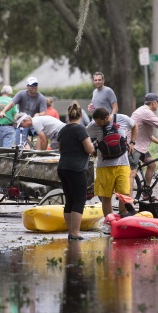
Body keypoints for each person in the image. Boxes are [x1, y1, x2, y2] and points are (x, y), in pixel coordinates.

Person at [87, 107, 138, 219]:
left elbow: (134, 125)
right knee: (106, 196)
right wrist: (92, 149)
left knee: (123, 195)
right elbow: (84, 137)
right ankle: (109, 221)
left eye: (99, 122)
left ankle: (124, 219)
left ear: (106, 117)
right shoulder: (92, 126)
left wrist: (132, 142)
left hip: (122, 164)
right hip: (104, 166)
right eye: (96, 122)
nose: (97, 124)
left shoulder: (122, 118)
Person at [57, 103, 95, 240]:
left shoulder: (62, 130)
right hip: (76, 168)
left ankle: (70, 232)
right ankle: (76, 232)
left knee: (70, 200)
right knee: (80, 199)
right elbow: (89, 149)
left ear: (68, 115)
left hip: (62, 167)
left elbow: (60, 149)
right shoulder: (80, 129)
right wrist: (93, 146)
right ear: (81, 115)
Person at [0, 77, 47, 145]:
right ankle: (22, 149)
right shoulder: (21, 94)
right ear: (27, 86)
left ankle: (38, 152)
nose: (34, 87)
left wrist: (38, 114)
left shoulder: (41, 98)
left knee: (41, 136)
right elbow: (12, 103)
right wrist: (3, 111)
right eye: (32, 85)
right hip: (23, 122)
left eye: (36, 85)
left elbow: (43, 112)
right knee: (20, 142)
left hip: (34, 122)